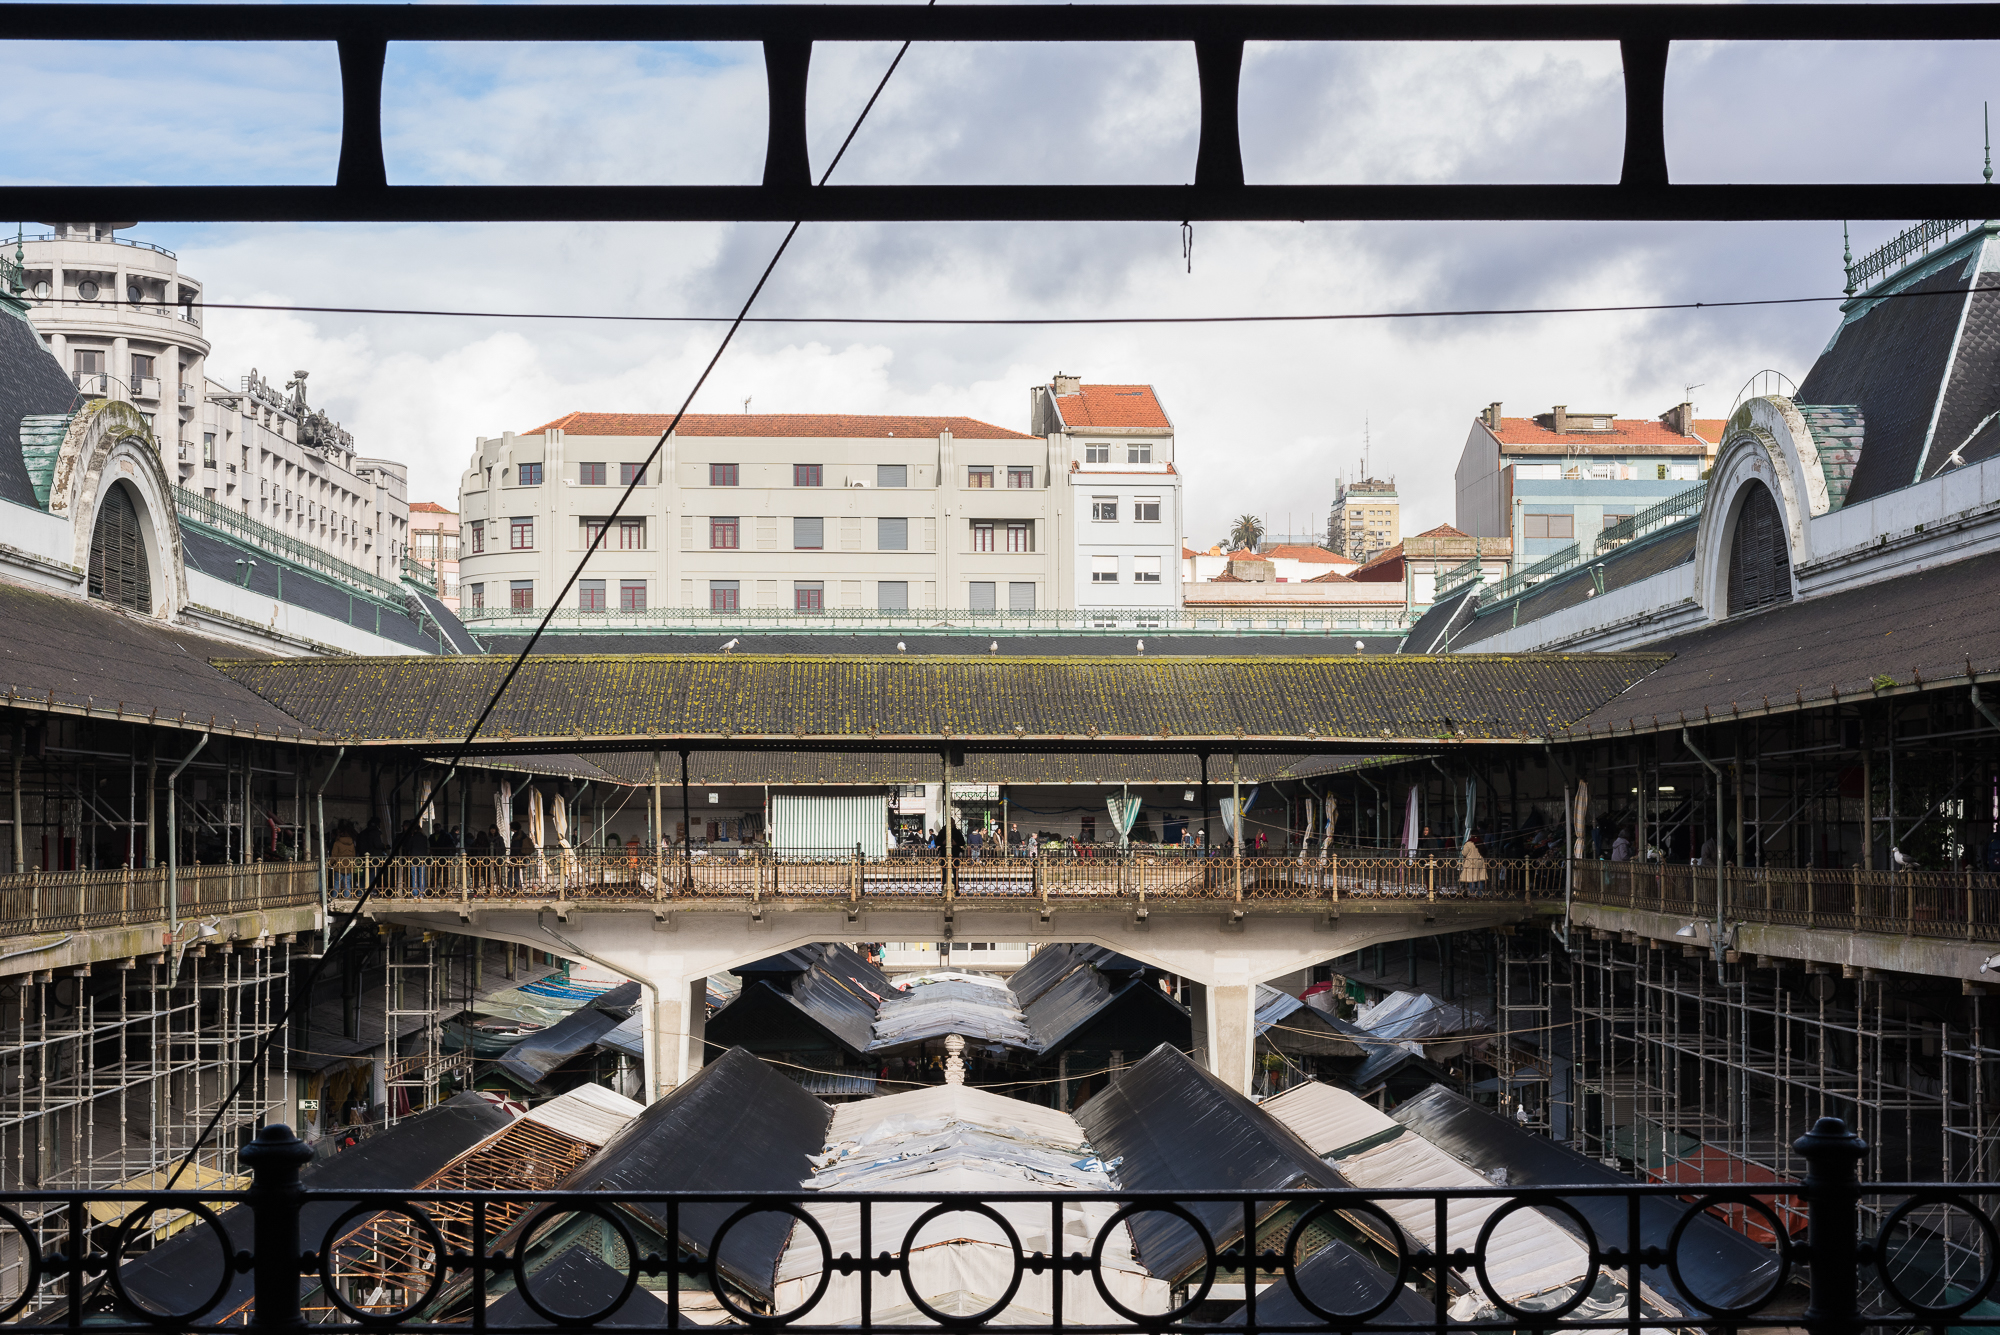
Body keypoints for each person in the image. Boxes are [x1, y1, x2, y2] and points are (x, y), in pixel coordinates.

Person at [404, 818, 431, 894]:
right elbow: (427, 847)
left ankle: (415, 893)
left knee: (414, 876)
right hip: (422, 858)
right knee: (422, 876)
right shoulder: (424, 837)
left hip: (414, 858)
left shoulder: (412, 837)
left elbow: (408, 847)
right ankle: (422, 893)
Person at [330, 820, 357, 892]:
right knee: (347, 883)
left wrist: (329, 864)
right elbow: (353, 855)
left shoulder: (337, 843)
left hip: (338, 866)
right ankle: (347, 897)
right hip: (348, 866)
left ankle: (334, 897)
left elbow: (334, 855)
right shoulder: (351, 843)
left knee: (336, 883)